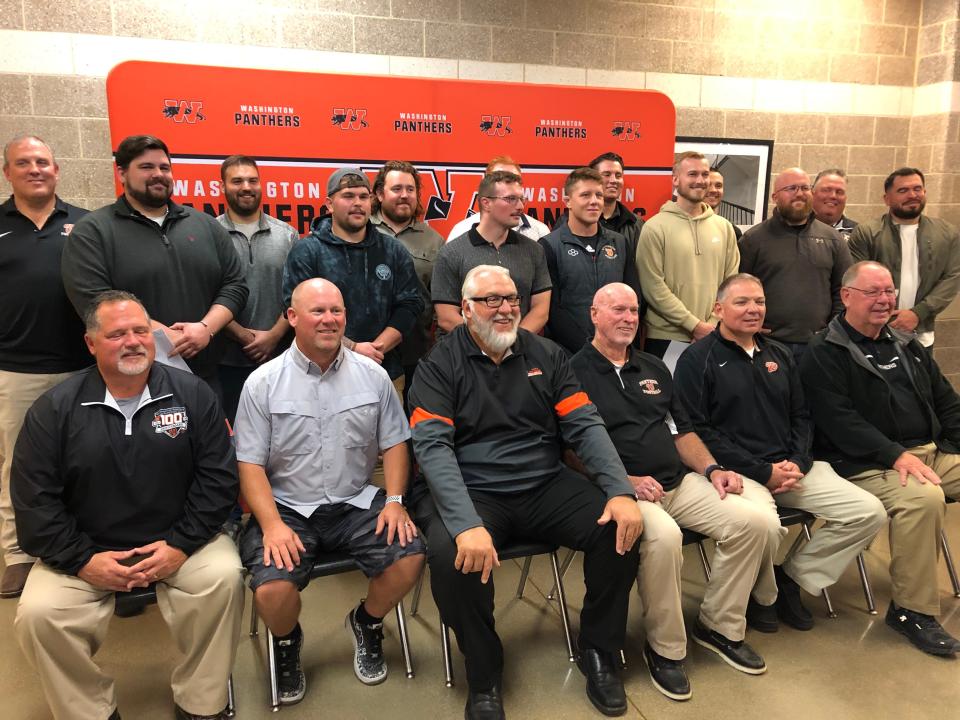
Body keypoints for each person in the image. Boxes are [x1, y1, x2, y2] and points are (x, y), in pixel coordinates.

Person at [409, 265, 643, 720]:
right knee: (451, 556)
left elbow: (585, 426)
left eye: (512, 298)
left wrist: (619, 491)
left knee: (618, 529)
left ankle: (600, 651)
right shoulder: (438, 365)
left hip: (542, 481)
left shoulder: (548, 355)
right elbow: (434, 450)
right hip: (472, 488)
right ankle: (484, 672)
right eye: (491, 300)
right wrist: (465, 523)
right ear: (465, 309)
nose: (505, 309)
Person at [12, 291, 243, 720]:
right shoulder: (54, 410)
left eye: (141, 331)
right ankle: (90, 711)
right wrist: (84, 560)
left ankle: (201, 702)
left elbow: (219, 482)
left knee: (225, 577)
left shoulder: (192, 395)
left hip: (179, 542)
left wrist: (180, 545)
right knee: (39, 614)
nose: (133, 341)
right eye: (117, 334)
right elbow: (34, 504)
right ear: (91, 344)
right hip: (88, 552)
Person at [573, 283, 782, 696]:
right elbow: (568, 448)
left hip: (678, 482)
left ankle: (718, 626)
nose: (628, 318)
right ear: (594, 314)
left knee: (755, 522)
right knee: (665, 538)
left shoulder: (654, 367)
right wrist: (623, 481)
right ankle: (665, 649)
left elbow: (680, 431)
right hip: (620, 490)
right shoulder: (572, 370)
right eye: (617, 309)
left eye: (633, 310)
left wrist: (711, 468)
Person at [235, 278, 424, 704]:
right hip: (286, 506)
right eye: (317, 311)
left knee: (410, 555)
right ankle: (286, 642)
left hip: (355, 500)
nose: (329, 319)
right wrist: (269, 525)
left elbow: (395, 441)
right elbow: (248, 463)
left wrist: (394, 501)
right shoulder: (263, 383)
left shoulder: (372, 375)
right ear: (292, 317)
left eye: (336, 311)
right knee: (271, 587)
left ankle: (367, 620)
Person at [674, 272, 886, 629]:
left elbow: (801, 416)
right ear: (718, 309)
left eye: (759, 301)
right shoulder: (697, 360)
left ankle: (792, 579)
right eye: (741, 302)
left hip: (793, 468)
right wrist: (762, 471)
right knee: (767, 527)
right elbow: (699, 431)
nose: (753, 309)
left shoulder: (781, 354)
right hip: (740, 472)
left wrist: (798, 463)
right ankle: (763, 598)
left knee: (868, 512)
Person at [801, 261, 960, 657]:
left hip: (929, 451)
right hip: (865, 461)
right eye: (873, 292)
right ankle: (912, 611)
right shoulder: (824, 351)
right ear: (847, 296)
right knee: (922, 499)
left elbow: (946, 401)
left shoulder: (906, 343)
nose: (884, 300)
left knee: (928, 486)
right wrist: (895, 454)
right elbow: (839, 422)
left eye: (889, 291)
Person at [61, 134, 248, 394]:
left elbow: (234, 284)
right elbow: (93, 299)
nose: (158, 174)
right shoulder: (93, 231)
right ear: (122, 173)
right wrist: (161, 337)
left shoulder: (205, 225)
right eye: (146, 167)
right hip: (133, 382)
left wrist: (205, 329)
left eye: (164, 167)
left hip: (207, 379)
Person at [0, 134, 90, 598]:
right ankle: (17, 553)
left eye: (43, 161)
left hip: (83, 366)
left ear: (57, 170)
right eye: (23, 162)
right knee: (17, 463)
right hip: (16, 369)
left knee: (88, 462)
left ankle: (89, 546)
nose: (35, 169)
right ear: (7, 172)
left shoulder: (86, 223)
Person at [281, 167, 422, 394]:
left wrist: (376, 349)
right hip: (321, 375)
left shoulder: (393, 250)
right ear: (329, 204)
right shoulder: (306, 251)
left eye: (363, 196)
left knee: (388, 431)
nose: (358, 203)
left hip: (385, 371)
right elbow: (294, 310)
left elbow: (410, 305)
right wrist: (353, 348)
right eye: (348, 196)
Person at [215, 155, 298, 423]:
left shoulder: (287, 234)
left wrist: (274, 335)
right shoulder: (208, 233)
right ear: (222, 187)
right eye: (237, 181)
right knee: (235, 441)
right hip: (224, 361)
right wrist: (241, 335)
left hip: (281, 359)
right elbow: (204, 293)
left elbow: (297, 294)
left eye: (252, 180)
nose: (246, 187)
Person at [738, 167, 851, 360]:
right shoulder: (753, 240)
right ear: (775, 196)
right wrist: (750, 326)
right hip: (766, 345)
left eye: (804, 188)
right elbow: (739, 291)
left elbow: (844, 290)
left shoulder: (833, 239)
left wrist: (832, 329)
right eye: (791, 188)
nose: (799, 193)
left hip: (819, 346)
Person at [636, 151, 739, 359]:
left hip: (715, 333)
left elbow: (731, 283)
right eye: (692, 174)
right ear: (675, 179)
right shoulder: (655, 227)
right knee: (669, 393)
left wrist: (711, 324)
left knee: (709, 392)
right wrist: (694, 326)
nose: (700, 181)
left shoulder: (724, 228)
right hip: (666, 337)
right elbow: (653, 287)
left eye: (704, 174)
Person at [848, 167, 960, 347]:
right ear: (887, 198)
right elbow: (857, 282)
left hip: (921, 334)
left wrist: (918, 313)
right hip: (875, 333)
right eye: (903, 190)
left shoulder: (947, 234)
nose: (912, 195)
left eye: (917, 189)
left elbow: (952, 278)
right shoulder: (867, 232)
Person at [432, 170, 552, 336]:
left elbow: (541, 310)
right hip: (467, 355)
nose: (520, 206)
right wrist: (488, 344)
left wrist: (513, 342)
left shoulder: (534, 250)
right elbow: (446, 317)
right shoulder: (451, 252)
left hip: (519, 351)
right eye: (511, 199)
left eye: (521, 199)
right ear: (486, 203)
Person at [540, 167, 641, 354]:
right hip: (569, 354)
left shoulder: (619, 242)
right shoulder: (549, 246)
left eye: (599, 195)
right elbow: (552, 310)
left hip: (617, 350)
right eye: (585, 195)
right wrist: (589, 349)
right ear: (568, 201)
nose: (594, 201)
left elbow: (633, 297)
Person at [370, 160, 444, 395]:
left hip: (416, 353)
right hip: (365, 350)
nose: (404, 195)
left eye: (410, 190)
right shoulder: (361, 230)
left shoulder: (434, 241)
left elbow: (440, 299)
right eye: (397, 189)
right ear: (380, 194)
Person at [445, 156, 550, 242]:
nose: (509, 183)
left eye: (514, 179)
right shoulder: (462, 230)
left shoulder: (540, 232)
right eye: (499, 178)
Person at [588, 151, 644, 253]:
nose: (613, 180)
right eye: (607, 174)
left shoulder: (636, 224)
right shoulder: (572, 221)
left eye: (618, 175)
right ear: (592, 180)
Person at [811, 168, 857, 240]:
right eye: (826, 190)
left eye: (839, 192)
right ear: (812, 193)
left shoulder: (857, 234)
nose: (833, 196)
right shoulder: (796, 228)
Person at [704, 167, 742, 241]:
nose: (713, 190)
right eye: (708, 185)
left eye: (718, 186)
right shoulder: (682, 226)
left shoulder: (732, 231)